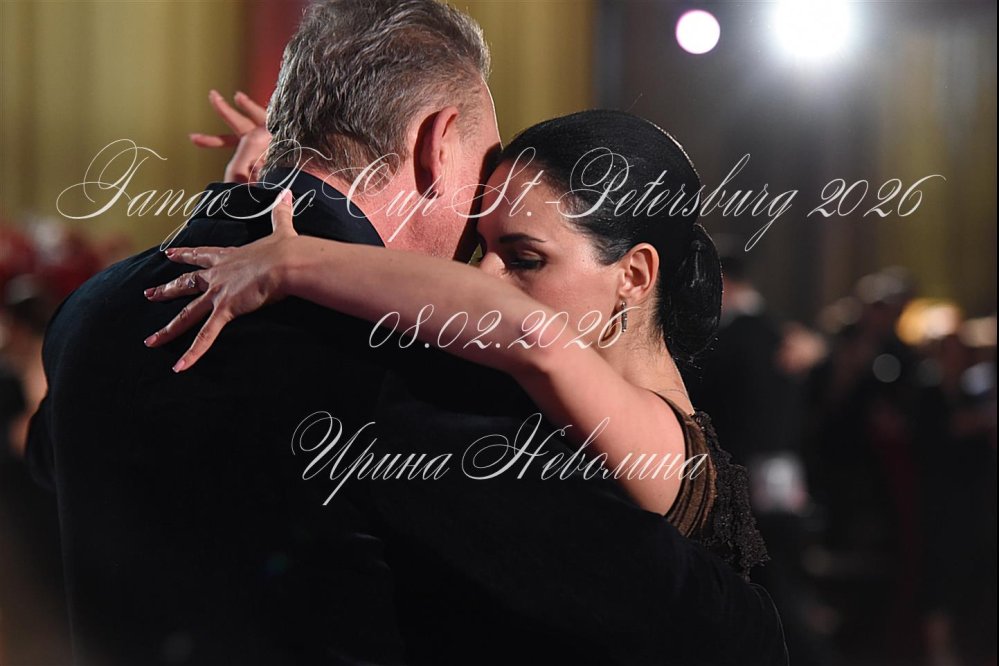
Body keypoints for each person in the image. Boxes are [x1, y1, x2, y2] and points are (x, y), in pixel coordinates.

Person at [31, 2, 786, 664]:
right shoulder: (414, 357)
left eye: (522, 255)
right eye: (480, 184)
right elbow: (712, 631)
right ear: (436, 143)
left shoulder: (95, 309)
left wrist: (269, 221)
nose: (479, 270)